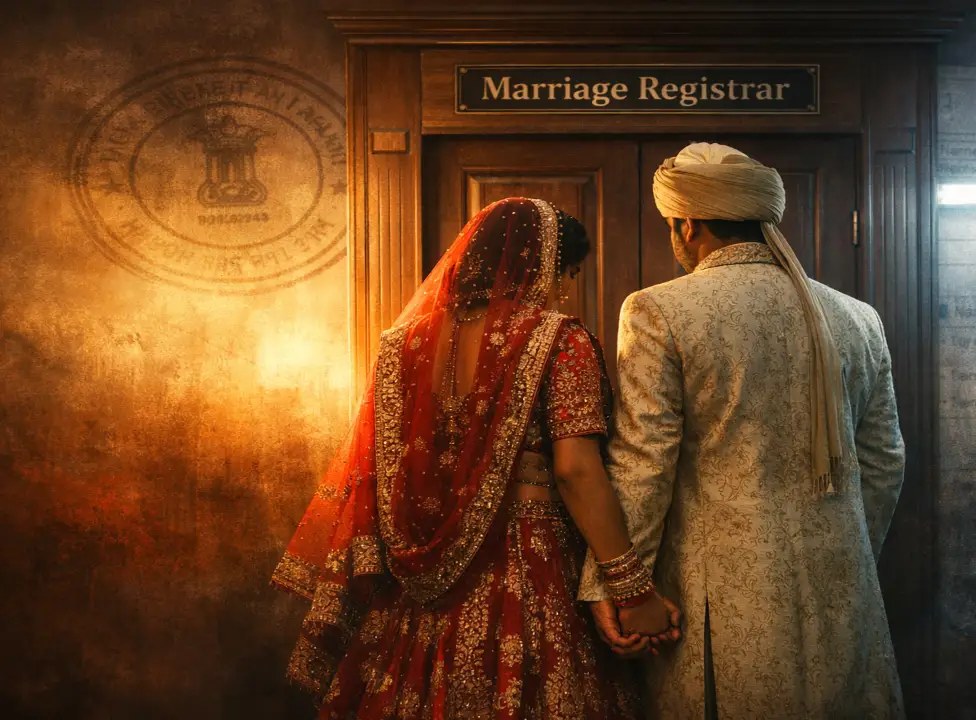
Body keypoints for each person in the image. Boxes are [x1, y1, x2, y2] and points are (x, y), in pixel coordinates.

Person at [272, 197, 679, 719]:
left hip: (419, 581)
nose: (564, 292)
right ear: (542, 267)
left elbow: (381, 466)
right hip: (529, 564)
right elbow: (576, 470)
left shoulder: (401, 345)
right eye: (568, 275)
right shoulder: (559, 339)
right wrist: (631, 589)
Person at [579, 144, 908, 719]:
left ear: (687, 223)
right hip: (843, 594)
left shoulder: (659, 311)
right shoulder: (858, 317)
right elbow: (884, 463)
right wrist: (847, 553)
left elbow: (643, 462)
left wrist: (618, 587)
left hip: (717, 604)